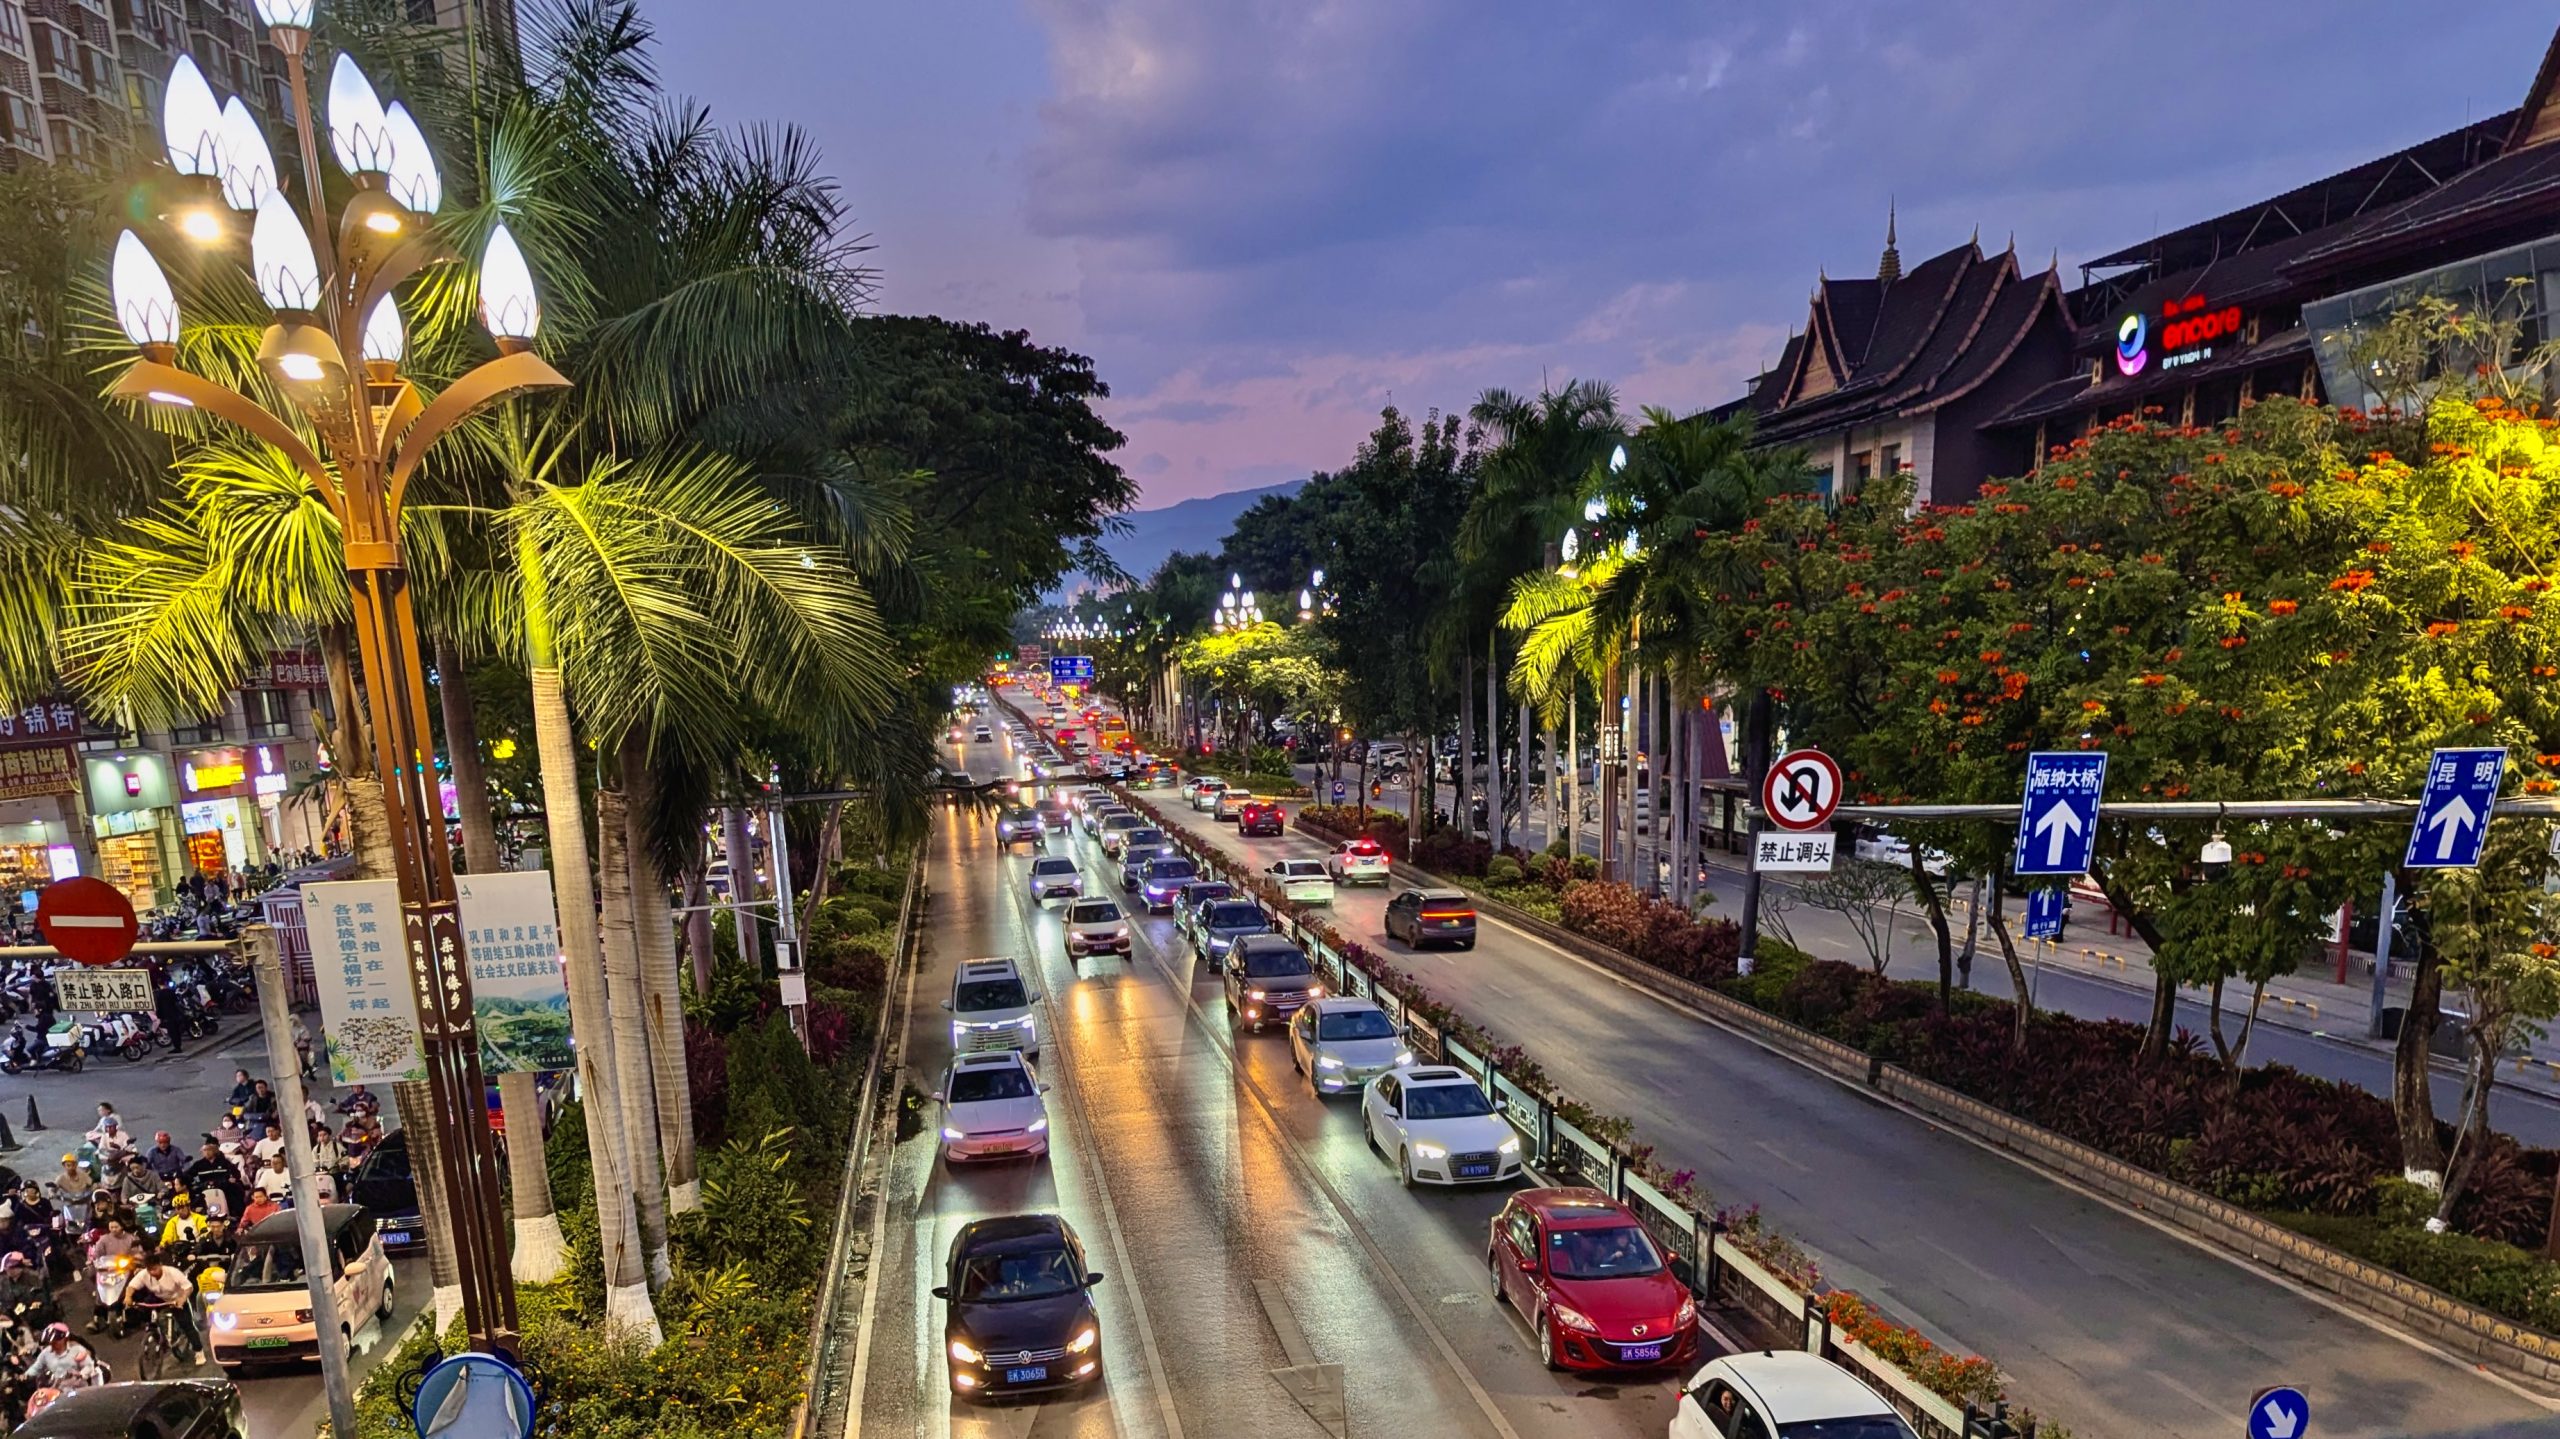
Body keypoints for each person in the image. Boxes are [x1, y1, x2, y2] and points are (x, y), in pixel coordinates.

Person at [125, 1254, 201, 1362]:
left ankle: (199, 1351)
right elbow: (131, 1286)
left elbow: (188, 1287)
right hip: (159, 1298)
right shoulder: (144, 1274)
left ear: (160, 1265)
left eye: (154, 1269)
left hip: (176, 1299)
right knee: (142, 1310)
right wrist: (128, 1297)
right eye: (149, 1270)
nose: (152, 1272)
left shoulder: (172, 1272)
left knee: (187, 1325)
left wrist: (182, 1299)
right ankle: (156, 1334)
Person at [21, 1324, 101, 1395]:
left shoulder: (77, 1350)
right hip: (56, 1389)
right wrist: (26, 1375)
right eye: (50, 1342)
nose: (52, 1345)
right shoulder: (46, 1353)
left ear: (64, 1340)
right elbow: (37, 1367)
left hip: (79, 1388)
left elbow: (88, 1366)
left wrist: (80, 1374)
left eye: (55, 1342)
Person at [155, 1194, 209, 1258]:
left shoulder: (199, 1218)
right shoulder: (172, 1222)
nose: (180, 1211)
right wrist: (162, 1245)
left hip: (198, 1248)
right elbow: (167, 1236)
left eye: (182, 1207)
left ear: (188, 1207)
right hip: (180, 1250)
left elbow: (205, 1232)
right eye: (178, 1208)